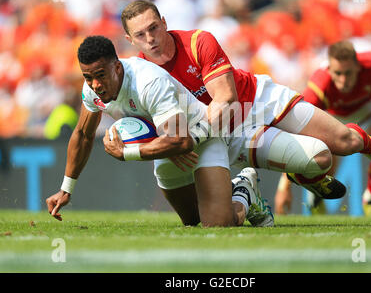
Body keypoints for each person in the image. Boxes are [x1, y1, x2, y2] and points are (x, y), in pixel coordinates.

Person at [120, 0, 371, 201]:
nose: (151, 38)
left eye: (154, 28)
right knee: (321, 158)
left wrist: (188, 140)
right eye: (140, 35)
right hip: (233, 133)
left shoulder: (198, 42)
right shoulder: (142, 75)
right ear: (130, 40)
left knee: (344, 141)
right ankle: (306, 177)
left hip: (258, 100)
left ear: (165, 23)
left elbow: (226, 97)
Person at [45, 35, 278, 228]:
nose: (95, 84)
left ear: (117, 67)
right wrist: (66, 189)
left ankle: (244, 193)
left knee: (218, 224)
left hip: (201, 136)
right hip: (164, 147)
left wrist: (128, 152)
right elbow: (83, 135)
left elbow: (182, 140)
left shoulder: (148, 81)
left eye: (100, 76)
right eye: (88, 78)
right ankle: (226, 195)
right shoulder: (92, 91)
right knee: (192, 221)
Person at [275, 41, 371, 217]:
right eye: (338, 73)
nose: (343, 80)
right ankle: (316, 199)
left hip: (369, 108)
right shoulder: (318, 87)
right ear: (329, 70)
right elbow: (296, 133)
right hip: (333, 116)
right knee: (324, 157)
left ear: (358, 66)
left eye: (348, 73)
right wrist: (284, 187)